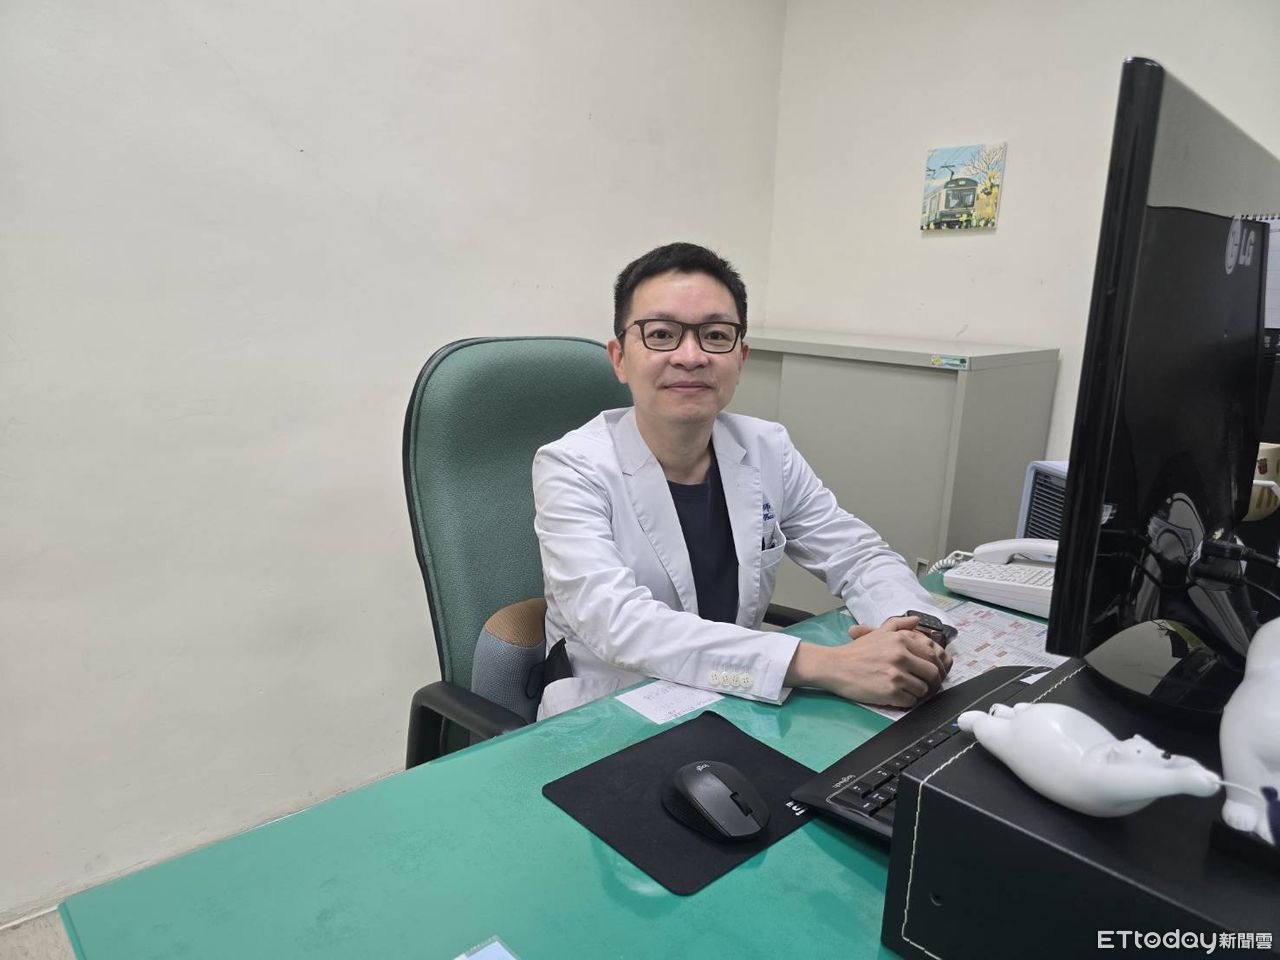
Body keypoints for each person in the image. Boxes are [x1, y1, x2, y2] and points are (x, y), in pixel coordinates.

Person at [532, 242, 954, 719]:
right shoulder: (571, 466)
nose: (690, 356)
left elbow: (857, 555)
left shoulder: (767, 447)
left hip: (734, 700)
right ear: (619, 359)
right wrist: (827, 664)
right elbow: (619, 624)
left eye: (715, 335)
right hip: (614, 707)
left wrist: (915, 631)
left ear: (740, 358)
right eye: (661, 334)